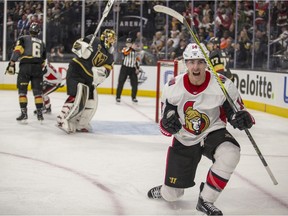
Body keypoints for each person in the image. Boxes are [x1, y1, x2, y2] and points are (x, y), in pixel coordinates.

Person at [147, 43, 255, 215]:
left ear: (207, 63)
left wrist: (243, 118)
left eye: (200, 62)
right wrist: (167, 124)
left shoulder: (223, 84)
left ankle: (206, 200)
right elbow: (165, 123)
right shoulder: (173, 87)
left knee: (231, 152)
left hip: (213, 131)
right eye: (191, 62)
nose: (195, 67)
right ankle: (164, 191)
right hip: (185, 138)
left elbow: (237, 111)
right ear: (185, 63)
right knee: (173, 195)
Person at [57, 29, 116, 134]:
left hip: (90, 77)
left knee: (91, 101)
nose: (113, 42)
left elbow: (107, 70)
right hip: (77, 69)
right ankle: (62, 118)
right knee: (75, 95)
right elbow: (75, 46)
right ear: (105, 38)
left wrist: (101, 74)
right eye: (111, 39)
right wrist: (82, 48)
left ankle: (81, 123)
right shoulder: (93, 39)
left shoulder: (110, 56)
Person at [5, 22, 46, 123]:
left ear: (29, 30)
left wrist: (12, 62)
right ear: (38, 32)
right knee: (38, 93)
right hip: (37, 68)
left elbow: (18, 50)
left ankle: (24, 113)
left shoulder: (23, 38)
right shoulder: (42, 42)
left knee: (22, 91)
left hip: (26, 67)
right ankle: (40, 114)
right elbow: (44, 59)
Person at [116, 38, 140, 103]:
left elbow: (137, 60)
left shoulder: (135, 52)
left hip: (132, 69)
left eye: (130, 43)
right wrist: (132, 48)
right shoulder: (125, 49)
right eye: (127, 43)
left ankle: (134, 97)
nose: (128, 44)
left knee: (135, 84)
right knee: (121, 82)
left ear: (132, 44)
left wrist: (137, 68)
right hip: (125, 68)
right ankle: (118, 97)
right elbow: (125, 53)